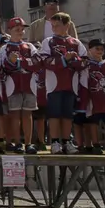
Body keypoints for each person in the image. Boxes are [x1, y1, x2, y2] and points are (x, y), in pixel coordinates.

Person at [39, 12, 86, 155]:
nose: (54, 28)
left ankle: (67, 141)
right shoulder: (48, 41)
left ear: (67, 25)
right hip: (54, 83)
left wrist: (73, 60)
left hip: (71, 83)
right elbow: (45, 61)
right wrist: (64, 60)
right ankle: (54, 142)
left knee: (67, 114)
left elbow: (84, 62)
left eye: (57, 25)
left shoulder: (76, 43)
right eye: (52, 26)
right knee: (54, 113)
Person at [0, 17, 40, 154]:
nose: (20, 32)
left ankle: (28, 143)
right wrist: (13, 63)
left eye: (22, 29)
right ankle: (17, 143)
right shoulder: (5, 48)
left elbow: (37, 63)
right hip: (12, 86)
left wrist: (18, 62)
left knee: (28, 114)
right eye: (17, 29)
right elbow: (2, 66)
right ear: (10, 30)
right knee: (14, 115)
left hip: (29, 85)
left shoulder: (30, 46)